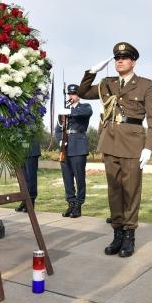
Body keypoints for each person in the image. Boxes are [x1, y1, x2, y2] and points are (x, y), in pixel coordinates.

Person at [78, 42, 152, 257]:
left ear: (133, 62)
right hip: (110, 141)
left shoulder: (145, 85)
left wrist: (149, 147)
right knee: (114, 190)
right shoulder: (107, 83)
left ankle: (129, 236)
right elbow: (82, 92)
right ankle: (117, 233)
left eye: (124, 58)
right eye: (117, 58)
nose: (119, 61)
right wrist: (91, 72)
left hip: (133, 143)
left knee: (131, 191)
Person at [55, 84, 93, 217]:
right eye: (70, 94)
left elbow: (87, 113)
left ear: (79, 95)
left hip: (78, 147)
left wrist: (69, 112)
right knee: (67, 178)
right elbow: (58, 129)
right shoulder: (63, 111)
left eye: (74, 94)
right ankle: (71, 203)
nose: (71, 96)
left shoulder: (85, 107)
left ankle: (78, 204)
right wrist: (60, 140)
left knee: (79, 178)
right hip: (65, 147)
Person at [16, 140, 41, 212]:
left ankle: (31, 201)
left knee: (31, 177)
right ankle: (24, 200)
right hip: (21, 152)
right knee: (23, 179)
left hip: (31, 150)